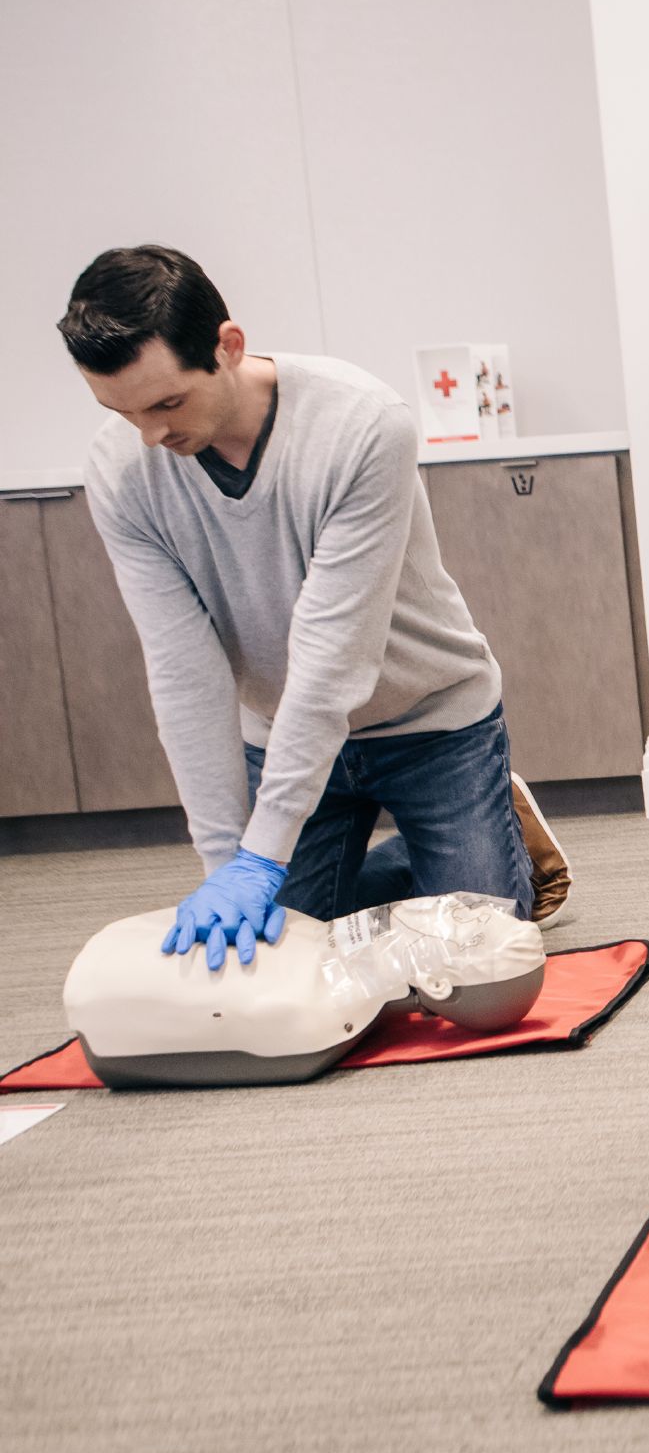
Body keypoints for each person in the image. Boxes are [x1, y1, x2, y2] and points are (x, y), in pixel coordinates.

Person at [58, 247, 572, 969]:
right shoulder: (122, 469)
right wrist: (226, 865)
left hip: (430, 720)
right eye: (121, 411)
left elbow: (332, 661)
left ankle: (500, 839)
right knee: (280, 950)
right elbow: (184, 671)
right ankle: (425, 863)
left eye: (167, 403)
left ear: (228, 347)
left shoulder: (360, 426)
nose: (150, 436)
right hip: (280, 735)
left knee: (476, 952)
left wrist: (261, 858)